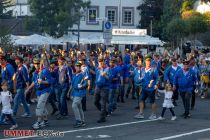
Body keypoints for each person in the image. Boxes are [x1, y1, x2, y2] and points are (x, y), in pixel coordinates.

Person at [25, 58, 52, 129]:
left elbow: (50, 81)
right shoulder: (35, 72)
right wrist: (28, 89)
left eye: (37, 63)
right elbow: (34, 82)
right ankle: (45, 121)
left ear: (40, 63)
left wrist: (42, 82)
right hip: (38, 91)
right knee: (42, 106)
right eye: (35, 64)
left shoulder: (45, 71)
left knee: (39, 106)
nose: (36, 65)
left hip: (45, 90)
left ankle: (38, 122)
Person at [134, 55, 158, 120]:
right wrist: (139, 79)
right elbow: (139, 79)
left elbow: (157, 79)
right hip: (144, 88)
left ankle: (153, 114)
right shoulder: (142, 69)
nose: (148, 62)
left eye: (149, 61)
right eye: (147, 61)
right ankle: (141, 113)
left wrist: (154, 85)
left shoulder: (154, 69)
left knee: (152, 102)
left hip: (151, 89)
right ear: (145, 61)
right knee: (141, 100)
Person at [68, 61, 87, 128]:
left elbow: (86, 83)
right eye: (76, 66)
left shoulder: (83, 75)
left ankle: (78, 121)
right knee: (79, 107)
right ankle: (82, 121)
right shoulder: (75, 75)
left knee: (74, 105)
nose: (77, 67)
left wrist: (82, 86)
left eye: (78, 66)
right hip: (75, 93)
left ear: (80, 67)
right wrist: (69, 92)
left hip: (80, 92)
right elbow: (72, 85)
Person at [94, 56, 110, 123]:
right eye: (99, 61)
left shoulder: (107, 69)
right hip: (98, 87)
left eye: (101, 61)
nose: (100, 62)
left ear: (104, 62)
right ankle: (105, 112)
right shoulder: (97, 68)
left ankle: (102, 117)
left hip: (104, 88)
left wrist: (103, 73)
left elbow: (108, 78)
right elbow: (96, 76)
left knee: (103, 104)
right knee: (95, 102)